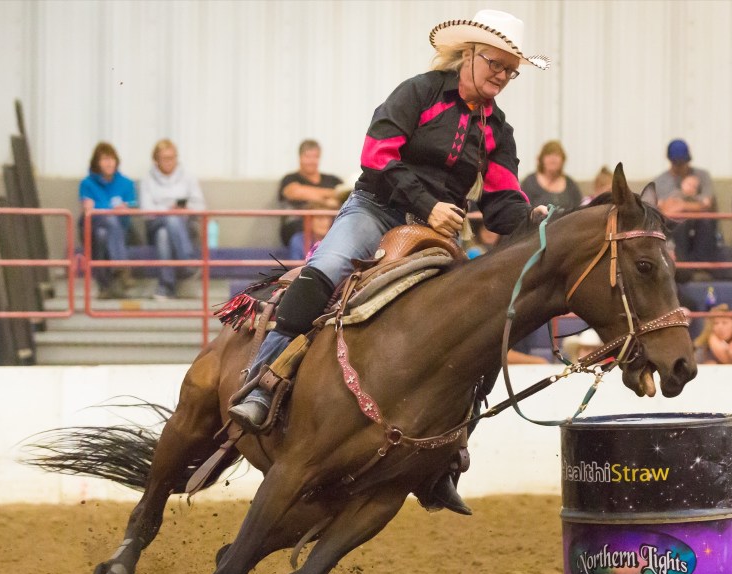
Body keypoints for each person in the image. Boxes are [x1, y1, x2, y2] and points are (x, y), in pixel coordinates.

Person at [229, 8, 550, 514]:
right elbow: (378, 156)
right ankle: (262, 382)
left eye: (511, 70)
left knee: (478, 322)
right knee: (328, 268)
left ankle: (444, 454)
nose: (502, 76)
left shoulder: (497, 130)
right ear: (468, 53)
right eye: (496, 64)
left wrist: (533, 219)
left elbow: (501, 200)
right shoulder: (418, 93)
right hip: (377, 210)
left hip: (438, 228)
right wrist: (427, 205)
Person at [140, 139, 206, 299]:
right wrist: (169, 210)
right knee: (170, 220)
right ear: (156, 160)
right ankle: (188, 263)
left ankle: (165, 287)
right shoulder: (147, 180)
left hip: (186, 225)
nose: (169, 162)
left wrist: (184, 209)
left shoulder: (188, 177)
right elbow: (146, 211)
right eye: (165, 158)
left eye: (172, 157)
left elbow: (201, 206)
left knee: (165, 234)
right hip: (155, 224)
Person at [79, 142, 138, 299]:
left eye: (112, 158)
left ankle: (105, 286)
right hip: (93, 226)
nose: (109, 162)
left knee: (103, 234)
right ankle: (122, 267)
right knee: (105, 224)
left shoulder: (127, 183)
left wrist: (125, 208)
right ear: (96, 163)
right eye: (105, 159)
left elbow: (132, 206)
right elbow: (88, 210)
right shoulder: (87, 184)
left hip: (120, 230)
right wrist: (110, 210)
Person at [652, 139, 720, 269]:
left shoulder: (702, 176)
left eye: (683, 162)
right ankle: (683, 265)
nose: (681, 166)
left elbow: (707, 203)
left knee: (705, 220)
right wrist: (693, 205)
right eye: (677, 163)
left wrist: (682, 206)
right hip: (675, 225)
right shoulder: (660, 181)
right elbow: (664, 209)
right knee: (677, 222)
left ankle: (702, 266)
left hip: (699, 223)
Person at [278, 139, 342, 247]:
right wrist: (327, 200)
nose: (311, 161)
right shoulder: (290, 178)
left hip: (331, 226)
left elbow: (343, 195)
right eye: (307, 157)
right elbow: (295, 192)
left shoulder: (333, 180)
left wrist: (310, 195)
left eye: (315, 157)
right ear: (300, 158)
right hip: (299, 226)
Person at [520, 140, 583, 211]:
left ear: (563, 160)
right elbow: (522, 210)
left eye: (557, 155)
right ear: (541, 159)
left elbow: (579, 210)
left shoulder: (570, 184)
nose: (553, 159)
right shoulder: (529, 183)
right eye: (549, 155)